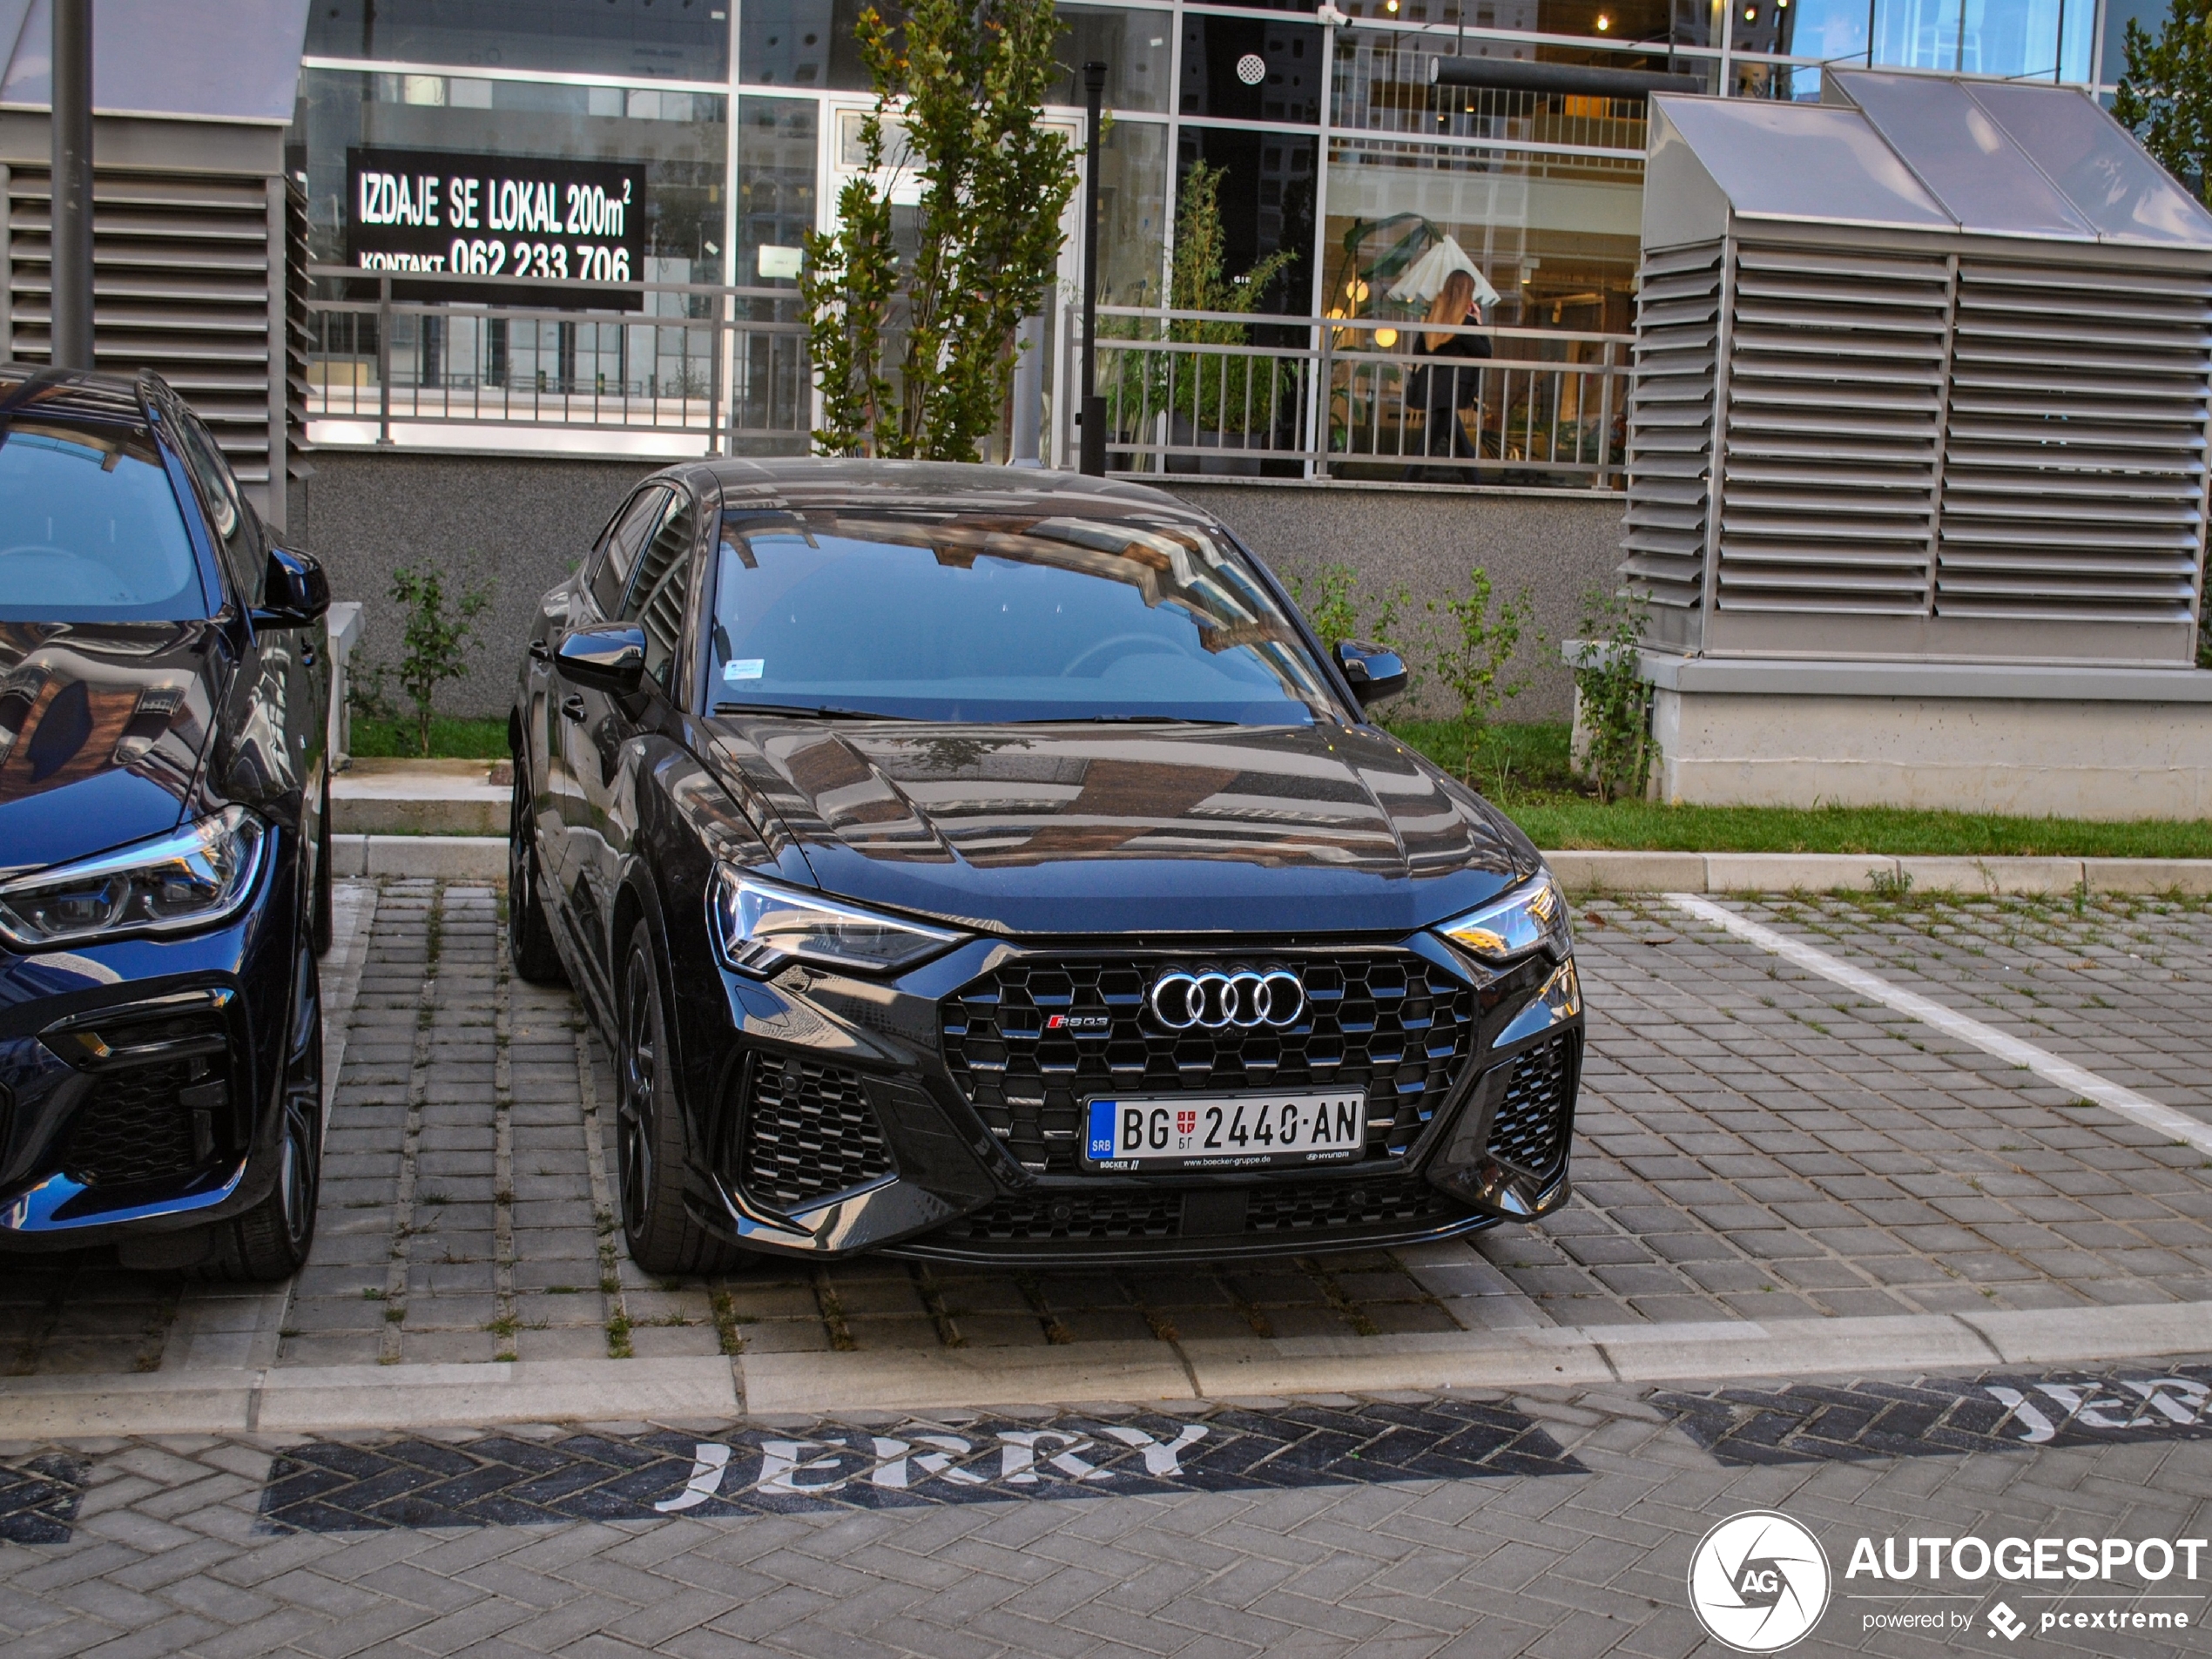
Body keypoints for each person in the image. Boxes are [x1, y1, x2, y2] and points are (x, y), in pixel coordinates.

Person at [1409, 267, 1490, 481]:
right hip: (1452, 388)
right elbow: (1485, 352)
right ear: (1467, 295)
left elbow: (1418, 350)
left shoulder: (1433, 317)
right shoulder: (1465, 323)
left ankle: (1476, 483)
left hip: (1432, 386)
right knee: (1428, 443)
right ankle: (1406, 481)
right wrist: (1479, 321)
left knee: (1456, 439)